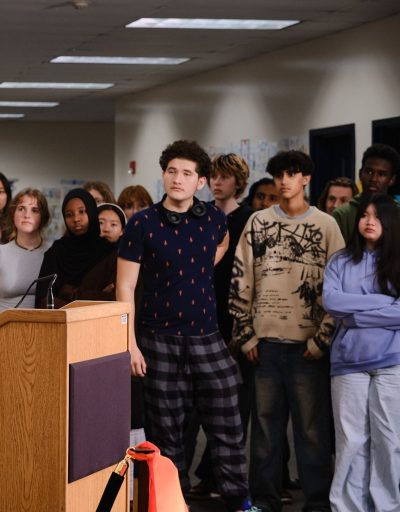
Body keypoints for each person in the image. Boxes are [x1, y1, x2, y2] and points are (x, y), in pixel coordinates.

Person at [117, 140, 255, 512]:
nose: (178, 179)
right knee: (167, 433)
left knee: (227, 422)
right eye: (172, 171)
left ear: (201, 182)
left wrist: (192, 271)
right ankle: (172, 503)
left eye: (187, 173)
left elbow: (221, 245)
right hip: (157, 338)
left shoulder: (214, 219)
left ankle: (239, 500)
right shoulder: (142, 223)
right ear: (163, 174)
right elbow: (125, 288)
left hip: (207, 338)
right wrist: (130, 345)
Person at [230, 150, 344, 512]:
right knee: (264, 433)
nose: (283, 181)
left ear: (306, 179)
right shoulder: (257, 222)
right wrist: (246, 334)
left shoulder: (326, 225)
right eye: (278, 175)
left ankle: (316, 504)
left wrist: (322, 340)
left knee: (311, 433)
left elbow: (340, 287)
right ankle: (263, 502)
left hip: (308, 347)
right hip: (264, 344)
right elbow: (240, 278)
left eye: (292, 174)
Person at [323, 193, 400, 512]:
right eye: (365, 215)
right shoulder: (340, 260)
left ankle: (387, 507)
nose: (369, 221)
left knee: (389, 442)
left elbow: (346, 309)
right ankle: (347, 508)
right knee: (351, 443)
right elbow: (332, 302)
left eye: (378, 216)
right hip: (348, 364)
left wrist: (356, 316)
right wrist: (385, 302)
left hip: (392, 363)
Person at [187, 153, 253, 498]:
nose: (217, 182)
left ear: (237, 182)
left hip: (233, 320)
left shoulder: (247, 219)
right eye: (213, 176)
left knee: (230, 408)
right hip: (202, 316)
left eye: (224, 177)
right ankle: (205, 475)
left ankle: (224, 481)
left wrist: (240, 330)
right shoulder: (202, 216)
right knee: (197, 407)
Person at [0, 188, 50, 322]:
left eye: (34, 210)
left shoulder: (53, 253)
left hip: (43, 332)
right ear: (12, 214)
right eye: (21, 209)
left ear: (43, 217)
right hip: (3, 332)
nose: (27, 215)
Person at [36, 188, 114, 309]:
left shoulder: (108, 250)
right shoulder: (57, 251)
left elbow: (111, 296)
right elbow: (43, 299)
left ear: (92, 212)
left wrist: (66, 293)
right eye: (69, 215)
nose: (76, 219)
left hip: (100, 322)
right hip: (61, 323)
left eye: (82, 211)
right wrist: (92, 296)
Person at [332, 143, 400, 241]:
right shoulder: (343, 214)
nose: (374, 179)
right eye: (369, 172)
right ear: (360, 174)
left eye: (381, 174)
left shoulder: (397, 213)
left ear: (391, 180)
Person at [75, 202, 126, 301]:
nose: (106, 229)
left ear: (122, 231)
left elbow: (114, 296)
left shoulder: (124, 257)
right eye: (100, 223)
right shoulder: (79, 253)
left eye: (113, 224)